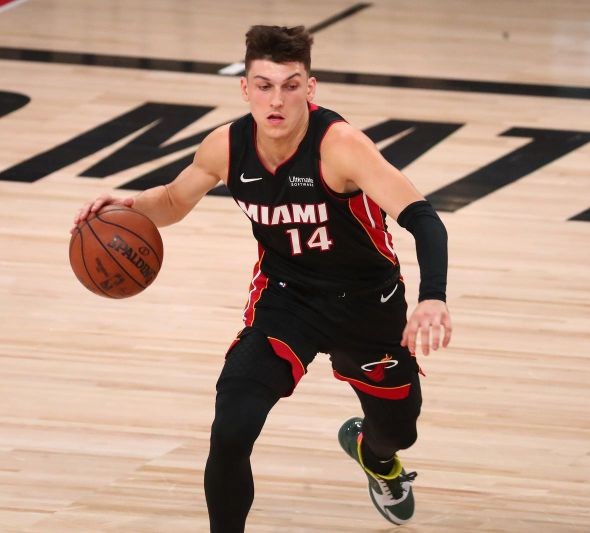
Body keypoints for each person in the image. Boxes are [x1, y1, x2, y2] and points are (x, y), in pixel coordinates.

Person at [72, 25, 452, 531]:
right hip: (285, 300)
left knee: (397, 432)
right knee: (231, 427)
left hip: (367, 306)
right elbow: (172, 201)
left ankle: (376, 459)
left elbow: (423, 217)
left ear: (310, 89)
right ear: (245, 88)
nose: (277, 100)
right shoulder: (226, 146)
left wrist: (433, 298)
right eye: (264, 85)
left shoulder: (340, 146)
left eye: (291, 85)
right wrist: (130, 205)